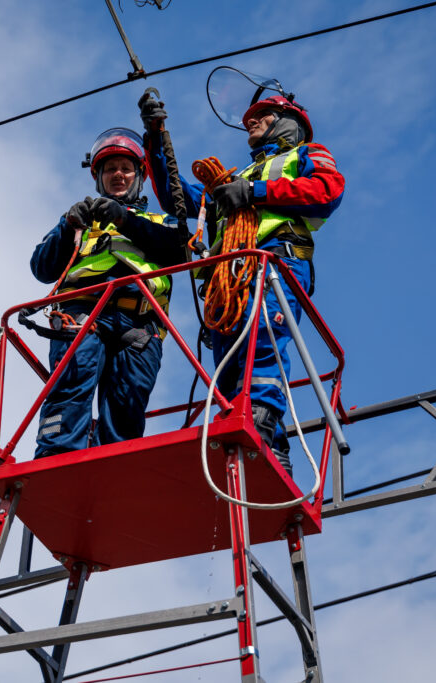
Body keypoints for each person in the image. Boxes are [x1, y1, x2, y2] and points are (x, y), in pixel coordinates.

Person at [141, 91, 345, 474]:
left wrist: (255, 193)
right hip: (228, 281)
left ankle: (262, 427)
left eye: (262, 115)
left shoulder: (306, 155)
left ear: (289, 122)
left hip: (273, 264)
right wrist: (154, 139)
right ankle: (255, 435)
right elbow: (178, 198)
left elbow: (326, 191)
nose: (250, 121)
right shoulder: (231, 180)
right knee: (231, 364)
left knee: (263, 342)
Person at [30, 128, 187, 458]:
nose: (118, 175)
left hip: (140, 325)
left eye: (126, 168)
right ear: (98, 177)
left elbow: (180, 253)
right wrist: (66, 227)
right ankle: (57, 461)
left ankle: (114, 468)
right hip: (80, 316)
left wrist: (125, 221)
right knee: (70, 387)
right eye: (110, 168)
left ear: (139, 176)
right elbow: (42, 268)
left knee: (127, 406)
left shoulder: (162, 222)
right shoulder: (78, 222)